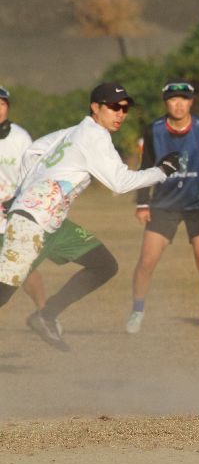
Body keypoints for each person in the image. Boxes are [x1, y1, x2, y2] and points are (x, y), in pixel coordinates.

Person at [0, 82, 179, 350]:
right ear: (95, 107)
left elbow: (33, 151)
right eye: (114, 107)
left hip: (52, 223)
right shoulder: (94, 136)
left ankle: (46, 316)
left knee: (104, 265)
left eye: (125, 108)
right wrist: (161, 171)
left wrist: (23, 191)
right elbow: (120, 182)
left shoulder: (73, 131)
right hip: (31, 223)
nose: (120, 113)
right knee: (3, 292)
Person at [127, 81, 199, 335]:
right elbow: (146, 167)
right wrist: (142, 202)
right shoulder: (154, 131)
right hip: (164, 204)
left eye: (184, 99)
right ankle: (137, 311)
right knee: (147, 260)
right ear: (165, 103)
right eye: (173, 99)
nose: (179, 104)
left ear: (191, 102)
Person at [0, 86, 48, 312]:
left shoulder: (20, 137)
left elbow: (34, 173)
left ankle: (44, 314)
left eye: (2, 104)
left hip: (12, 213)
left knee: (24, 268)